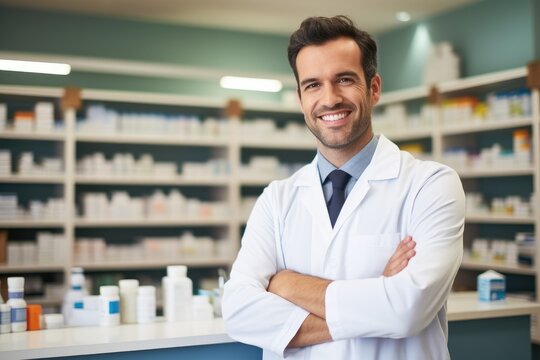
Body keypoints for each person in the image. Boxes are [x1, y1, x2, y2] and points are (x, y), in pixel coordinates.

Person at [222, 15, 465, 360]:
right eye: (313, 85)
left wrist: (287, 285)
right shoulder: (276, 200)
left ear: (375, 88)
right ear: (300, 98)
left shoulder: (431, 186)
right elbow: (238, 310)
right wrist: (376, 295)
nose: (330, 98)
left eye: (345, 79)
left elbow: (407, 309)